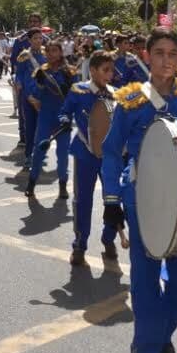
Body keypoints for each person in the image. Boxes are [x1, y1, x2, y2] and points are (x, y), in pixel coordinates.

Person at [100, 28, 177, 353]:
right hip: (142, 199)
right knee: (145, 282)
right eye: (159, 52)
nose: (167, 59)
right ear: (147, 56)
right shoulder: (131, 101)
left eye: (173, 53)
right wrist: (111, 201)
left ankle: (161, 335)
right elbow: (112, 151)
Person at [59, 50, 119, 266]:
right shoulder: (79, 90)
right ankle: (80, 244)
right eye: (105, 70)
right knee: (82, 200)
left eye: (111, 70)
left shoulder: (116, 94)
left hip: (109, 157)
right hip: (85, 154)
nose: (110, 75)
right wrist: (65, 119)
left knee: (113, 199)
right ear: (92, 70)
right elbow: (64, 110)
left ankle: (108, 238)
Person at [25, 39, 75, 198]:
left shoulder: (70, 72)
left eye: (54, 50)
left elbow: (76, 97)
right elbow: (34, 94)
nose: (51, 54)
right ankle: (31, 183)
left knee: (63, 155)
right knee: (39, 151)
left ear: (60, 52)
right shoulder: (41, 71)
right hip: (45, 116)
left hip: (63, 118)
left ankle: (62, 185)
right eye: (48, 51)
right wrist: (39, 85)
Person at [10, 14, 44, 144]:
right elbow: (14, 60)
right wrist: (18, 81)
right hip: (25, 81)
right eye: (31, 21)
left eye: (36, 21)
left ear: (40, 23)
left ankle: (39, 136)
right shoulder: (20, 40)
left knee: (42, 111)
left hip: (42, 83)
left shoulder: (46, 40)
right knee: (24, 110)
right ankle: (23, 136)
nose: (34, 23)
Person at [16, 29, 47, 168]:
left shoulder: (47, 53)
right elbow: (19, 73)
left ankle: (39, 154)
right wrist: (18, 83)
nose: (38, 40)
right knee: (30, 127)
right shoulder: (24, 55)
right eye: (35, 38)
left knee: (43, 127)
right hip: (28, 96)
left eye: (40, 38)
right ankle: (28, 155)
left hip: (44, 96)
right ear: (30, 40)